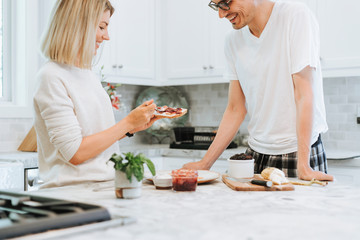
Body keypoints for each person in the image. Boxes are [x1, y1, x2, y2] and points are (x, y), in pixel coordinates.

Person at [183, 0, 333, 181]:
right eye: (216, 6)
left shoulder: (294, 15)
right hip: (255, 155)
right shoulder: (232, 41)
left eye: (225, 2)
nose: (221, 14)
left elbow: (304, 95)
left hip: (298, 153)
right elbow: (235, 109)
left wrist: (304, 167)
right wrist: (204, 164)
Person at [33, 0, 158, 188]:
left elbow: (94, 138)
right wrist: (128, 122)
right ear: (77, 25)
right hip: (71, 194)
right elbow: (75, 153)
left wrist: (131, 128)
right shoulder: (51, 76)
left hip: (101, 187)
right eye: (101, 27)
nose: (106, 36)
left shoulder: (87, 74)